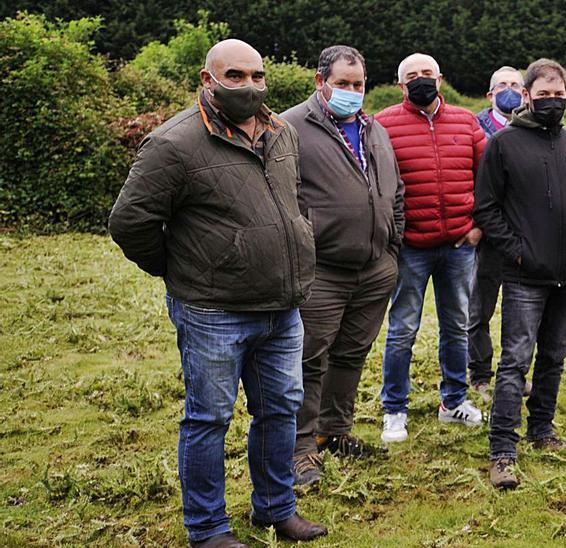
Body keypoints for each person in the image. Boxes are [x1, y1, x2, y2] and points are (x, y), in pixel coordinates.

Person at [109, 39, 327, 547]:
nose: (249, 86)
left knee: (280, 411)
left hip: (282, 306)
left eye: (257, 76)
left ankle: (275, 510)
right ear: (207, 80)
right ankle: (207, 530)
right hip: (214, 311)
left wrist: (298, 242)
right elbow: (130, 222)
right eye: (235, 76)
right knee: (209, 417)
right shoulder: (174, 144)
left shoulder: (282, 133)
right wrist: (184, 271)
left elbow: (294, 203)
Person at [473, 59, 566, 489]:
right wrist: (519, 253)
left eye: (558, 94)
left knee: (554, 358)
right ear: (527, 96)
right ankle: (502, 451)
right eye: (542, 95)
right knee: (514, 362)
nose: (551, 101)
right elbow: (487, 209)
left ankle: (542, 430)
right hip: (526, 277)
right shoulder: (504, 145)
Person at [281, 45, 402, 489]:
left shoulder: (374, 130)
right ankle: (299, 448)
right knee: (309, 358)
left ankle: (336, 429)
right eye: (343, 84)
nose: (352, 92)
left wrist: (393, 249)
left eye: (358, 85)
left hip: (374, 268)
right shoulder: (291, 127)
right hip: (322, 270)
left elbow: (395, 190)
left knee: (352, 353)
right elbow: (282, 197)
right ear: (320, 83)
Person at [376, 53, 486, 443]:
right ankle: (394, 408)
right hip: (411, 248)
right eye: (412, 76)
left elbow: (487, 177)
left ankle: (453, 400)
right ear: (400, 83)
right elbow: (376, 185)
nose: (420, 80)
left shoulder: (466, 121)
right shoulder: (383, 125)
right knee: (403, 327)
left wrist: (477, 228)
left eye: (427, 74)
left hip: (459, 244)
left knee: (457, 326)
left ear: (440, 79)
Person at [469, 66, 527, 398]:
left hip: (524, 232)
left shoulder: (533, 126)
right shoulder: (475, 127)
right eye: (502, 85)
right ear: (490, 94)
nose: (510, 90)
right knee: (480, 306)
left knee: (520, 310)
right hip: (488, 232)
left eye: (516, 85)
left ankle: (514, 373)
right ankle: (479, 374)